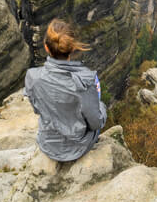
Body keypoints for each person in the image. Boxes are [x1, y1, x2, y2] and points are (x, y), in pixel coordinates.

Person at [24, 18, 107, 162]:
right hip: (78, 147)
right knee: (99, 106)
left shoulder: (32, 77)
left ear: (46, 47)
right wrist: (102, 107)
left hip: (48, 144)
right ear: (72, 48)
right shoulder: (86, 80)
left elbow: (38, 109)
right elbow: (95, 123)